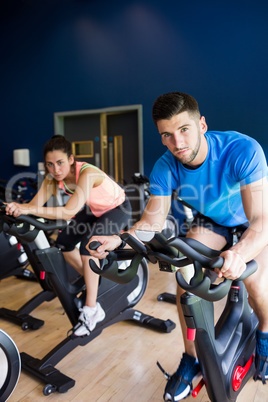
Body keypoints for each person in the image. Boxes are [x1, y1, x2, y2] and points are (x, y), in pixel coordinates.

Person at [88, 92, 268, 401]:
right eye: (167, 135)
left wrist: (239, 254)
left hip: (252, 220)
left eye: (184, 129)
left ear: (202, 124)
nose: (178, 142)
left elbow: (261, 219)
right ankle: (191, 358)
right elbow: (151, 223)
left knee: (254, 282)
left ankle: (265, 329)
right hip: (213, 220)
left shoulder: (242, 150)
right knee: (187, 281)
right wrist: (119, 239)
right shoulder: (165, 166)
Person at [5, 135, 132, 337]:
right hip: (95, 209)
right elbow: (34, 207)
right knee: (63, 244)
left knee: (89, 247)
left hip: (117, 208)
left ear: (71, 159)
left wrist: (26, 209)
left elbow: (67, 211)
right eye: (50, 164)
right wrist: (14, 208)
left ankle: (92, 309)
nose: (55, 170)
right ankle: (94, 279)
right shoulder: (52, 179)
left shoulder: (87, 173)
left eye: (60, 163)